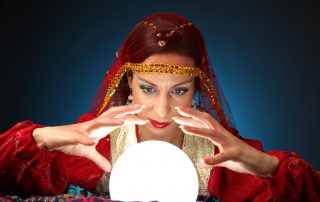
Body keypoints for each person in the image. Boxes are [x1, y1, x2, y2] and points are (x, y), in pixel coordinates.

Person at [0, 12, 319, 201]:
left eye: (179, 90)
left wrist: (261, 163)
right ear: (128, 86)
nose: (163, 110)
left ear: (196, 90)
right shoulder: (98, 143)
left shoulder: (219, 153)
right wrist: (43, 138)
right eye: (148, 89)